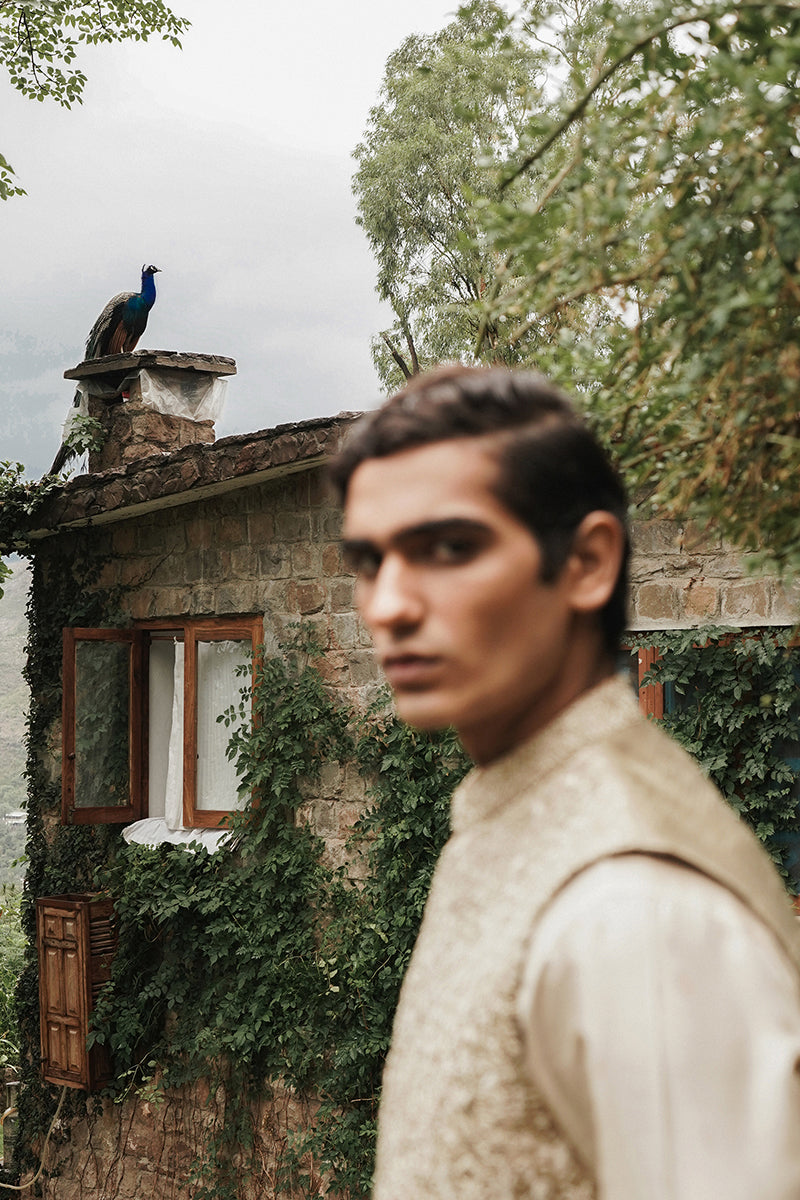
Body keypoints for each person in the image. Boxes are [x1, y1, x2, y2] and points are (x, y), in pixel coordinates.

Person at [330, 364, 800, 1200]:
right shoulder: (521, 811)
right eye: (370, 560)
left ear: (586, 563)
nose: (388, 604)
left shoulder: (635, 909)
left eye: (449, 548)